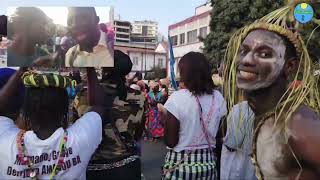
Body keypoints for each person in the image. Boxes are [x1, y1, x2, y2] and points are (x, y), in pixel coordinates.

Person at [222, 2, 320, 179]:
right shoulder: (259, 117)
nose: (246, 60)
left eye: (265, 54)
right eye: (244, 51)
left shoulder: (303, 128)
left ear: (289, 66)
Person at [0, 68, 107, 179]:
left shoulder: (5, 140)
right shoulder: (82, 137)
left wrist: (20, 72)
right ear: (65, 110)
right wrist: (89, 67)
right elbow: (99, 105)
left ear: (25, 110)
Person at [159, 52, 227, 179]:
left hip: (180, 167)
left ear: (185, 73)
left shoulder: (178, 97)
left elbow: (171, 141)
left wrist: (164, 121)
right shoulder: (218, 98)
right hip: (208, 166)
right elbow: (221, 134)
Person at [85, 50, 145, 180]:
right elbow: (138, 133)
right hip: (128, 169)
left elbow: (76, 134)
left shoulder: (84, 96)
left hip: (93, 170)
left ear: (103, 68)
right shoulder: (139, 97)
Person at [220, 101, 257, 180]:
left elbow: (232, 143)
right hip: (251, 166)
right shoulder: (265, 111)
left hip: (234, 165)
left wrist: (221, 141)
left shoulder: (238, 109)